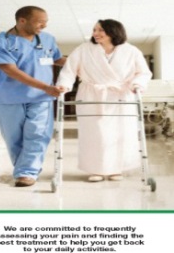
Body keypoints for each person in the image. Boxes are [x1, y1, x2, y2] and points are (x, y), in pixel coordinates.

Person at [56, 19, 152, 182]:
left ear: (114, 31)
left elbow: (143, 72)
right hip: (92, 95)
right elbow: (69, 70)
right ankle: (96, 169)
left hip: (120, 96)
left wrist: (137, 84)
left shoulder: (131, 51)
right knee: (95, 134)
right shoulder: (83, 49)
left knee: (120, 133)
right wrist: (64, 85)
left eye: (100, 30)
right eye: (94, 30)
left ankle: (117, 169)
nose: (95, 33)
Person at [0, 6, 66, 187]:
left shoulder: (47, 39)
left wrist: (85, 62)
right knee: (14, 138)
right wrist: (45, 86)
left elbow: (58, 59)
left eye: (46, 22)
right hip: (9, 97)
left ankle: (26, 172)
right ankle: (24, 169)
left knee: (38, 134)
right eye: (39, 22)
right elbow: (10, 70)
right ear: (22, 21)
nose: (44, 26)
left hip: (42, 98)